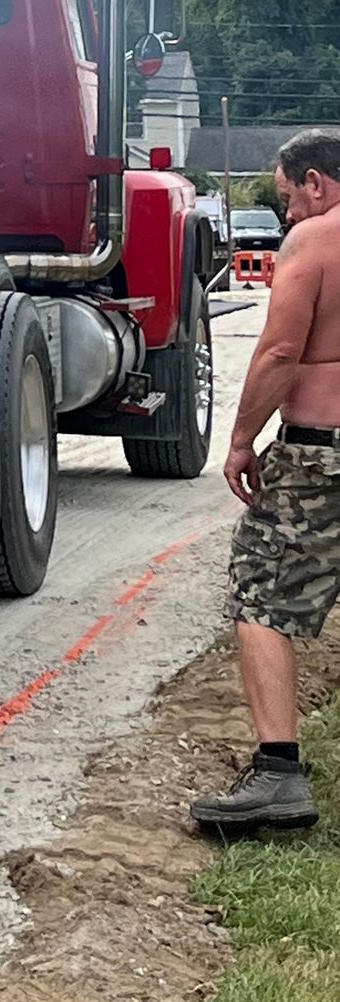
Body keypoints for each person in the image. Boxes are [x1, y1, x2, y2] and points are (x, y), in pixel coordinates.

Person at [191, 129, 340, 834]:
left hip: (320, 459)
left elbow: (281, 349)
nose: (285, 217)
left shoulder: (315, 243)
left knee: (263, 593)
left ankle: (278, 775)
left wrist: (243, 439)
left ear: (316, 182)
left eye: (286, 199)